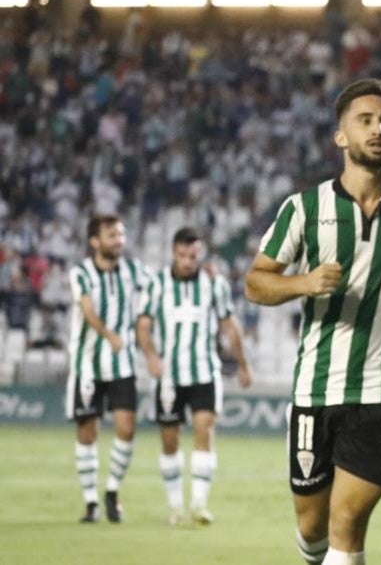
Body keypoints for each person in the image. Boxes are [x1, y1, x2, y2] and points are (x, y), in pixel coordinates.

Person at [244, 79, 381, 565]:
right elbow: (255, 283)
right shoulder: (303, 209)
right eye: (365, 121)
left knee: (346, 522)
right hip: (314, 390)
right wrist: (304, 283)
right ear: (340, 137)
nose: (378, 129)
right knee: (312, 526)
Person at [135, 226, 252, 526]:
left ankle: (199, 505)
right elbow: (143, 325)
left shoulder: (214, 283)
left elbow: (229, 324)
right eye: (183, 255)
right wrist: (151, 357)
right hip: (168, 375)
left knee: (205, 430)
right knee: (170, 440)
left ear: (200, 255)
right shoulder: (156, 283)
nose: (188, 261)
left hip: (204, 370)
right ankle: (175, 506)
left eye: (193, 255)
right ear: (174, 252)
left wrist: (242, 363)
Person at [66, 214, 148, 524]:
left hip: (123, 363)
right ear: (95, 241)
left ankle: (112, 491)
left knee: (127, 428)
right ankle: (90, 502)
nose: (119, 240)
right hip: (87, 365)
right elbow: (87, 310)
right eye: (112, 235)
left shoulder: (132, 270)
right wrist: (109, 334)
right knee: (87, 432)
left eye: (121, 234)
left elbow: (160, 282)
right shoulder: (82, 273)